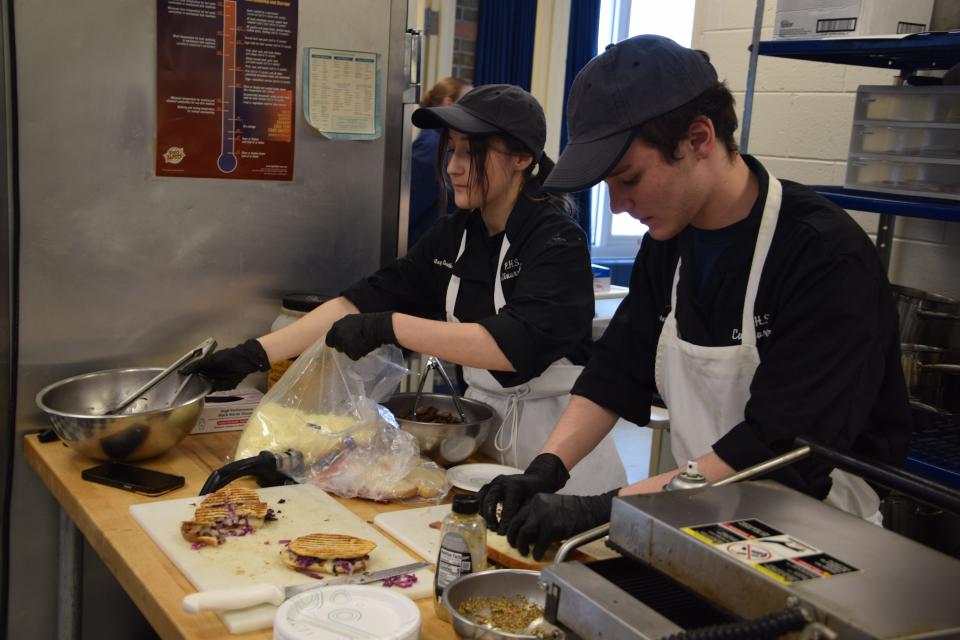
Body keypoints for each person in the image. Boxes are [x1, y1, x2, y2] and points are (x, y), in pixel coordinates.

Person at [478, 35, 911, 560]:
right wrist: (547, 468)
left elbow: (776, 449)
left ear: (699, 138)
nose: (617, 206)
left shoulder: (823, 258)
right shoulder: (671, 243)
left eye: (629, 178)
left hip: (819, 543)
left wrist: (603, 509)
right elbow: (617, 369)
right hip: (703, 521)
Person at [184, 84, 627, 495]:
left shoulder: (556, 239)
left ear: (522, 159)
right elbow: (354, 302)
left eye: (471, 153)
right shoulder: (456, 234)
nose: (453, 167)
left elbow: (513, 346)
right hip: (480, 438)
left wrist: (391, 327)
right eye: (450, 150)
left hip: (560, 448)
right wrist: (254, 354)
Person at [409, 77, 472, 248]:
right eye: (468, 102)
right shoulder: (432, 149)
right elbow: (408, 212)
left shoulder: (436, 144)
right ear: (448, 103)